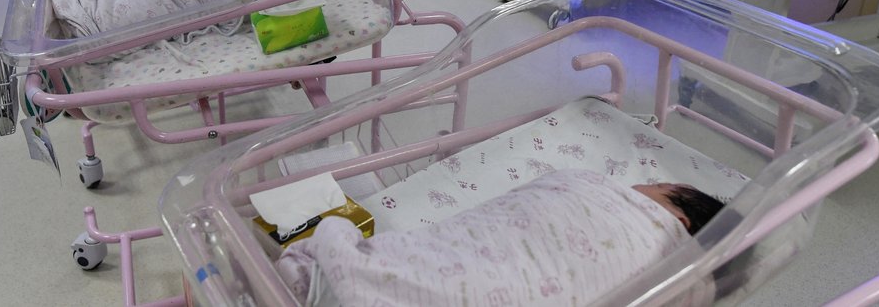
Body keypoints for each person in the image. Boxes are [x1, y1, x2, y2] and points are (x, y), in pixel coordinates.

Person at [276, 170, 725, 307]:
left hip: (340, 280)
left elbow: (564, 184)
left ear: (678, 217)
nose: (638, 185)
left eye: (656, 185)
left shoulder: (642, 225)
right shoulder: (674, 288)